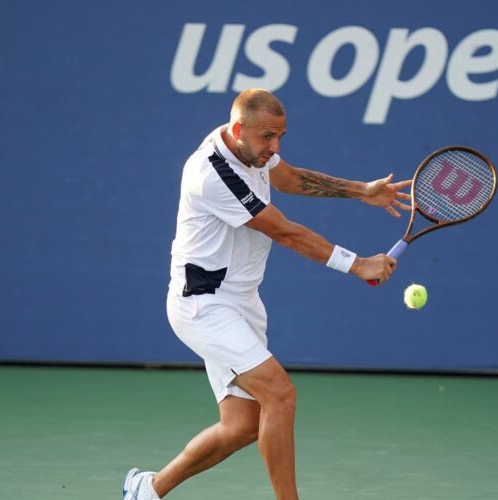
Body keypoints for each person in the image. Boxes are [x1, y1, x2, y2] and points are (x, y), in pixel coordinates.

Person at [123, 88, 412, 500]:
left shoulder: (250, 148)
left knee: (240, 426)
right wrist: (357, 263)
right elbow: (284, 232)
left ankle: (147, 490)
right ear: (238, 129)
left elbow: (290, 177)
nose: (274, 148)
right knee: (281, 395)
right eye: (266, 139)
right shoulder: (212, 173)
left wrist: (361, 190)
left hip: (242, 304)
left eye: (280, 137)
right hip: (203, 304)